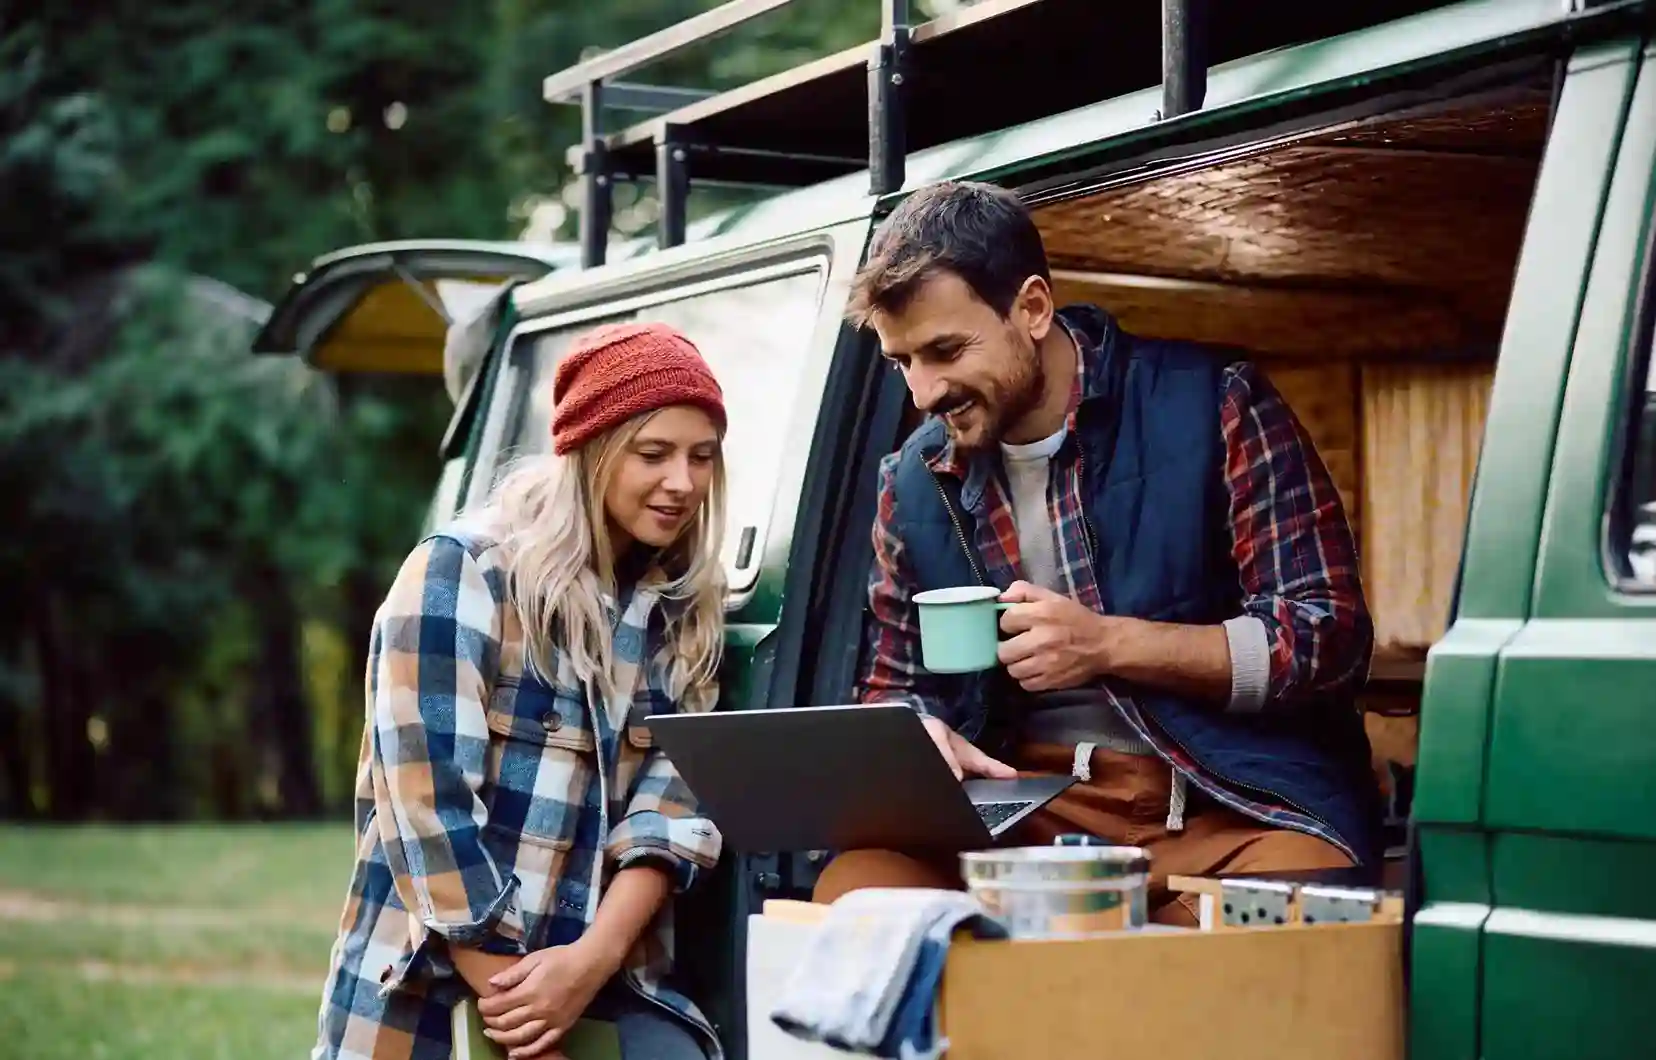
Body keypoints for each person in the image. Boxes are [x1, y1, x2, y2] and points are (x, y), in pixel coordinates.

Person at [813, 181, 1382, 925]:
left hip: (1225, 811)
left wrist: (1109, 644)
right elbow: (893, 685)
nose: (923, 392)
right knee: (854, 895)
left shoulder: (1218, 405)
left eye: (946, 351)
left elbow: (1325, 638)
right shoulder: (912, 482)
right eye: (902, 362)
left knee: (1299, 903)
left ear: (1033, 308)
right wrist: (915, 732)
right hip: (1017, 823)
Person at [312, 321, 730, 1060]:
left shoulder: (681, 606)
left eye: (702, 457)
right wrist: (523, 1021)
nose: (683, 483)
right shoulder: (462, 574)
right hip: (433, 983)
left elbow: (669, 820)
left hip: (599, 977)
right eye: (653, 453)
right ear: (591, 452)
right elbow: (426, 808)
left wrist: (587, 966)